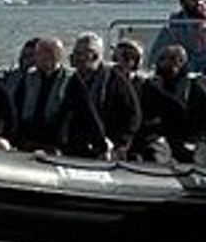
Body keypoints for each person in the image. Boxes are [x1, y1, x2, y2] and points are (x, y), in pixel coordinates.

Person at [55, 31, 142, 160]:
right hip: (80, 145)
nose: (76, 58)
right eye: (76, 53)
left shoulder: (115, 79)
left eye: (81, 53)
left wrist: (120, 144)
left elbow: (133, 114)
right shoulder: (73, 80)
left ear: (95, 55)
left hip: (111, 145)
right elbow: (66, 113)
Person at [135, 43, 206, 164]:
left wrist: (198, 139)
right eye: (162, 58)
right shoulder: (153, 85)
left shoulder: (193, 86)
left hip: (185, 140)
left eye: (169, 59)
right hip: (159, 139)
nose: (162, 63)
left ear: (180, 62)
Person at [11, 36, 69, 152]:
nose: (35, 58)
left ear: (52, 56)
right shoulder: (28, 77)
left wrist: (101, 145)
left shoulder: (70, 80)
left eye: (38, 54)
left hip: (55, 138)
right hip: (27, 136)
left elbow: (86, 110)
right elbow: (16, 106)